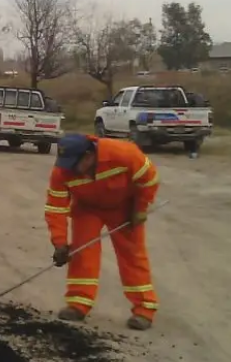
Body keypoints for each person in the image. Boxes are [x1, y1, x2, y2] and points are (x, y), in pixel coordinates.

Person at [45, 133, 161, 331]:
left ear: (89, 155)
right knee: (81, 253)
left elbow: (149, 179)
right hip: (87, 209)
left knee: (132, 255)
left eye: (74, 163)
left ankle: (144, 309)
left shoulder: (124, 153)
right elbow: (56, 207)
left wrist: (140, 208)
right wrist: (59, 243)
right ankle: (78, 304)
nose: (69, 169)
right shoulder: (62, 172)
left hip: (124, 208)